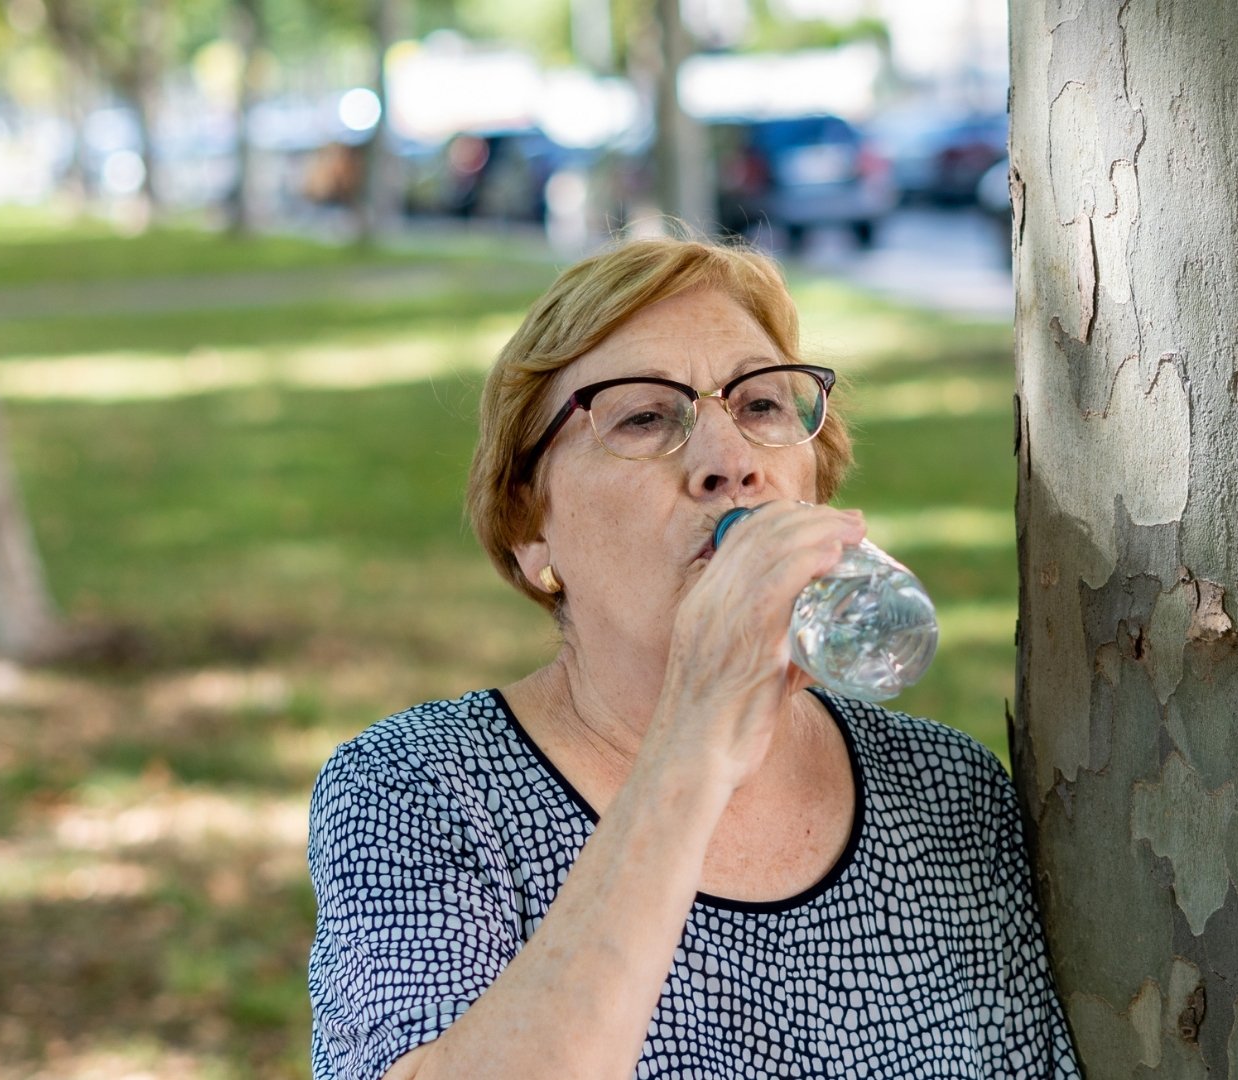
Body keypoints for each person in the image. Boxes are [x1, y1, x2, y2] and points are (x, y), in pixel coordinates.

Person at [305, 236, 1082, 1079]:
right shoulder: (420, 789)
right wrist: (695, 738)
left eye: (760, 407)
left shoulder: (951, 793)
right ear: (531, 527)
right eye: (643, 417)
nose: (730, 464)